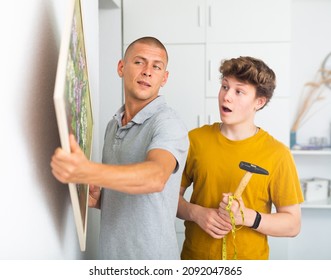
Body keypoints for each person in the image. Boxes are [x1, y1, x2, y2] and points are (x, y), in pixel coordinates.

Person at [51, 36, 189, 259]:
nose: (147, 71)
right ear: (121, 67)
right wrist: (101, 198)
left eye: (156, 66)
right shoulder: (112, 125)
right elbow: (135, 198)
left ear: (164, 78)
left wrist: (89, 170)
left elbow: (155, 178)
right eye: (139, 62)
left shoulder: (168, 123)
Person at [176, 56, 304, 260]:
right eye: (225, 86)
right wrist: (196, 213)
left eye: (239, 91)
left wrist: (247, 217)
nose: (226, 96)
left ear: (259, 102)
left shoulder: (277, 154)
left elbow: (292, 224)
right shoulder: (195, 140)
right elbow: (167, 198)